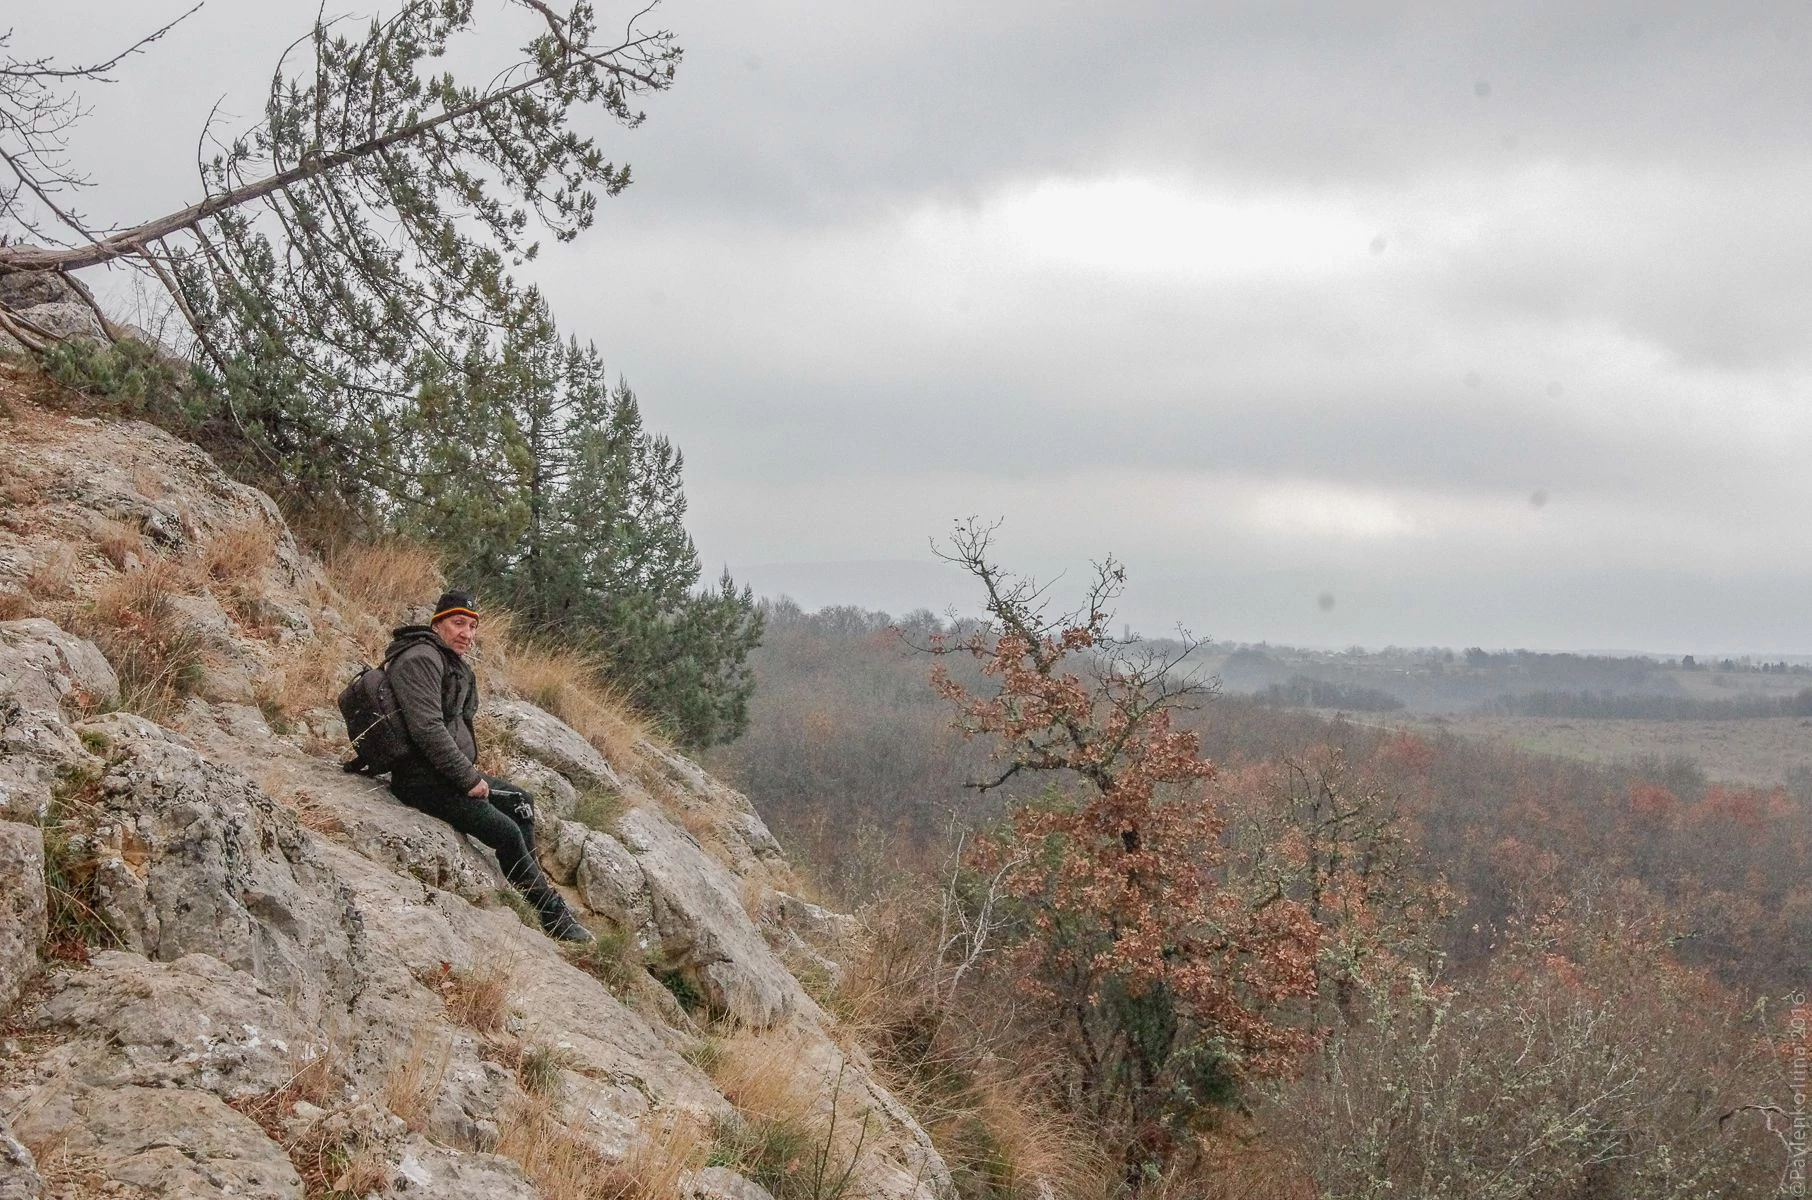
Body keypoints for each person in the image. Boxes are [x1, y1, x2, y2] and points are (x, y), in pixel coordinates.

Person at [384, 590, 593, 943]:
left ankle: (537, 892)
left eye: (472, 626)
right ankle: (554, 917)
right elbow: (427, 729)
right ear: (437, 624)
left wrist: (468, 774)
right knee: (507, 832)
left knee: (521, 803)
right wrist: (468, 779)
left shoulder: (452, 663)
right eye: (458, 623)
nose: (467, 633)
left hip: (444, 773)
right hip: (420, 779)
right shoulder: (420, 659)